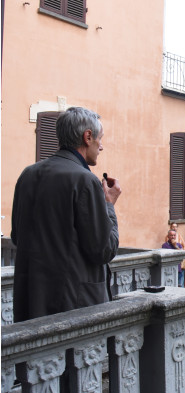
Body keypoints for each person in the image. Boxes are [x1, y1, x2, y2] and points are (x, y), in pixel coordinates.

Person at [12, 107, 121, 322]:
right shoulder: (85, 181)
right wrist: (109, 205)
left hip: (30, 303)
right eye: (100, 138)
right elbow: (104, 249)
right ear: (87, 136)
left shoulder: (27, 175)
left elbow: (18, 237)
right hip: (73, 308)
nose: (102, 146)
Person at [166, 222, 185, 287]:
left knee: (180, 284)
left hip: (179, 266)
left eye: (176, 227)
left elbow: (183, 247)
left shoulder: (179, 240)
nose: (175, 228)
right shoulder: (165, 244)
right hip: (170, 267)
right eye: (173, 227)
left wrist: (176, 246)